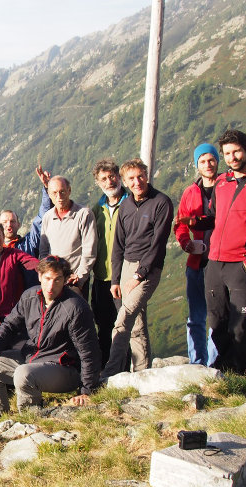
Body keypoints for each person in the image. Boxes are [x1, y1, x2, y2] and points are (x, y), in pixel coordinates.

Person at [183, 129, 246, 376]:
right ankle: (224, 368)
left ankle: (245, 371)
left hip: (241, 263)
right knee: (217, 321)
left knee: (241, 322)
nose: (232, 157)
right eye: (227, 153)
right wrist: (195, 223)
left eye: (237, 151)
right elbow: (214, 217)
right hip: (215, 263)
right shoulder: (222, 182)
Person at [0, 257, 101, 414]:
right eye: (48, 278)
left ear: (65, 280)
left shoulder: (74, 307)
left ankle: (30, 419)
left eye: (57, 280)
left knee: (24, 374)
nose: (51, 286)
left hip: (63, 368)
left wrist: (86, 391)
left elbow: (88, 351)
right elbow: (8, 325)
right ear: (40, 276)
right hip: (32, 358)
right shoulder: (30, 297)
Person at [100, 159, 173, 378]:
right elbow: (118, 246)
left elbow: (158, 244)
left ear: (147, 175)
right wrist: (115, 280)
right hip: (125, 267)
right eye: (131, 178)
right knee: (137, 323)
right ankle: (142, 372)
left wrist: (139, 275)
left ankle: (110, 373)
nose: (137, 182)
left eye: (140, 176)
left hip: (148, 268)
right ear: (125, 181)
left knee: (124, 317)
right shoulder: (126, 206)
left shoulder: (161, 203)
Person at [174, 143, 220, 366]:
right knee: (196, 316)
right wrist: (186, 244)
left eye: (211, 160)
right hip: (196, 261)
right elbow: (180, 225)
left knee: (218, 316)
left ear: (217, 161)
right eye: (203, 161)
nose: (208, 164)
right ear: (197, 165)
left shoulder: (227, 187)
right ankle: (197, 363)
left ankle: (215, 363)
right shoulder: (190, 193)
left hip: (222, 262)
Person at [90, 159, 129, 366]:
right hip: (101, 277)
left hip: (125, 277)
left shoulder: (131, 204)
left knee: (124, 325)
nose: (109, 181)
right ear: (98, 183)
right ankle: (105, 370)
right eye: (103, 179)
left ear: (119, 177)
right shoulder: (97, 209)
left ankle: (125, 368)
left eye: (112, 176)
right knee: (103, 325)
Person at [38, 175, 98, 300]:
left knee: (75, 316)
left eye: (62, 191)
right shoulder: (48, 217)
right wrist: (47, 274)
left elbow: (89, 250)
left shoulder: (83, 214)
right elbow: (44, 251)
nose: (59, 197)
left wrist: (80, 278)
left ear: (69, 190)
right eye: (54, 193)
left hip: (74, 281)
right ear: (49, 194)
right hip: (53, 281)